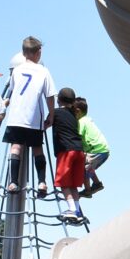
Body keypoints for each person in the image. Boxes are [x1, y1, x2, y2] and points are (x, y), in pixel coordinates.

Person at [3, 38, 55, 195]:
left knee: (16, 147)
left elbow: (12, 90)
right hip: (34, 118)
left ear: (23, 52)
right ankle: (42, 182)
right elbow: (50, 95)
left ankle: (13, 183)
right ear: (38, 52)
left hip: (16, 116)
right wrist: (51, 115)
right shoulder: (43, 71)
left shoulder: (17, 70)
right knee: (37, 149)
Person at [51, 88, 87, 223]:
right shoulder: (73, 115)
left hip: (66, 151)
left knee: (64, 183)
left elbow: (46, 123)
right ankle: (77, 210)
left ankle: (71, 209)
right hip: (79, 151)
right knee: (73, 185)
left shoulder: (56, 113)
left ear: (58, 100)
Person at [74, 96, 109, 194]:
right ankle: (97, 184)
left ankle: (88, 190)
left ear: (77, 111)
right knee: (89, 167)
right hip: (102, 150)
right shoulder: (87, 119)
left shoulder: (81, 122)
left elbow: (78, 137)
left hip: (97, 150)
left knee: (84, 168)